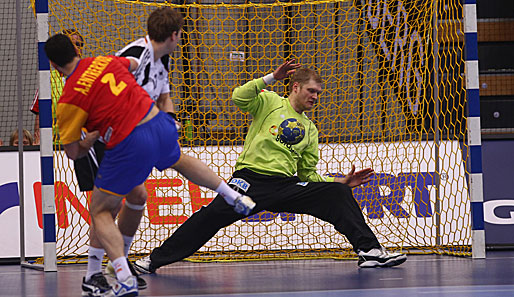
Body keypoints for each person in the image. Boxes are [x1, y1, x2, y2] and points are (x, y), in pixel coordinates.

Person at [133, 60, 407, 274]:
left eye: (319, 93)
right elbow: (238, 97)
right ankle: (152, 260)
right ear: (296, 87)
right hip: (249, 182)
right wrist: (272, 77)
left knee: (337, 196)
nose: (315, 97)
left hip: (285, 187)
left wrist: (340, 183)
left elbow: (307, 175)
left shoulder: (310, 129)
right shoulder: (269, 101)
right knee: (209, 218)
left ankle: (369, 252)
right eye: (311, 90)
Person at [44, 33, 256, 297]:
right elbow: (136, 64)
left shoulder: (71, 97)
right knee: (107, 208)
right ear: (77, 50)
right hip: (130, 135)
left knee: (135, 198)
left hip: (122, 137)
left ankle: (117, 267)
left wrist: (89, 139)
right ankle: (96, 272)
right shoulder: (105, 62)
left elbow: (73, 151)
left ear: (52, 64)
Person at [31, 29, 84, 145]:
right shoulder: (48, 79)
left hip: (83, 144)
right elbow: (40, 113)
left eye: (79, 44)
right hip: (55, 146)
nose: (76, 48)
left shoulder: (87, 75)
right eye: (71, 44)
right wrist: (38, 141)